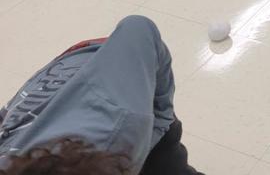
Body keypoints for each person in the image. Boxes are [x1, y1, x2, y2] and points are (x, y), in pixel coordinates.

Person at [0, 15, 202, 174]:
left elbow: (138, 28)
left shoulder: (122, 124)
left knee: (166, 164)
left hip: (101, 62)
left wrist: (162, 118)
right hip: (47, 100)